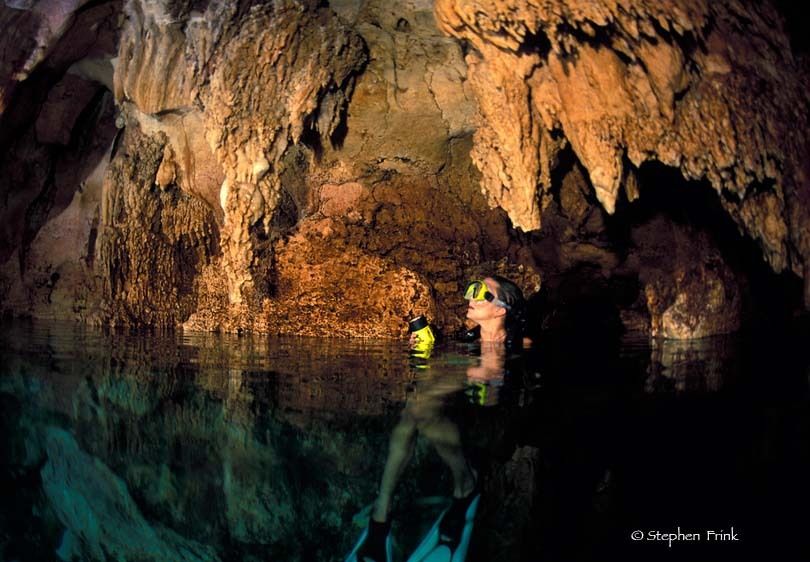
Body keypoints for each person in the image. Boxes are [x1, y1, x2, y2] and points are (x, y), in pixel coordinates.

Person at [346, 276, 529, 562]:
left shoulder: (521, 343)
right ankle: (453, 488)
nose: (469, 296)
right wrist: (421, 352)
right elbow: (440, 371)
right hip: (461, 400)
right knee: (415, 409)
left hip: (490, 413)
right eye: (470, 288)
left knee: (419, 408)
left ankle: (381, 519)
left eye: (479, 292)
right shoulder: (466, 341)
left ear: (500, 309)